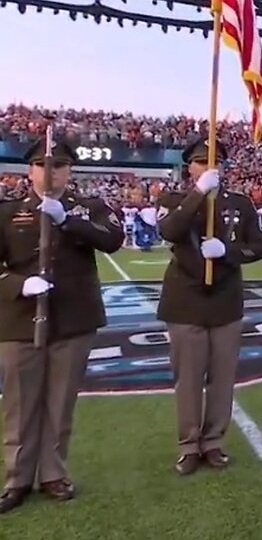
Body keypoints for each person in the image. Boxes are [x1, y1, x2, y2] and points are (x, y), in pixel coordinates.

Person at [0, 140, 125, 512]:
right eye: (42, 164)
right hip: (18, 320)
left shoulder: (89, 209)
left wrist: (65, 220)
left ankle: (53, 473)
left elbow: (112, 240)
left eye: (59, 165)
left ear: (69, 171)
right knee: (20, 405)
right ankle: (17, 478)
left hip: (73, 320)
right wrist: (17, 284)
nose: (50, 172)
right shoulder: (6, 213)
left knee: (60, 402)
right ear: (30, 171)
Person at [156, 138, 262, 475]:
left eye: (216, 161)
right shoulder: (174, 199)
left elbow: (259, 246)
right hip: (185, 300)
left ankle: (214, 441)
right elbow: (169, 229)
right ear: (190, 167)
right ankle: (189, 444)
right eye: (202, 162)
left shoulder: (240, 203)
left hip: (225, 299)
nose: (210, 167)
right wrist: (198, 195)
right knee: (188, 378)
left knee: (223, 378)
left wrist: (229, 252)